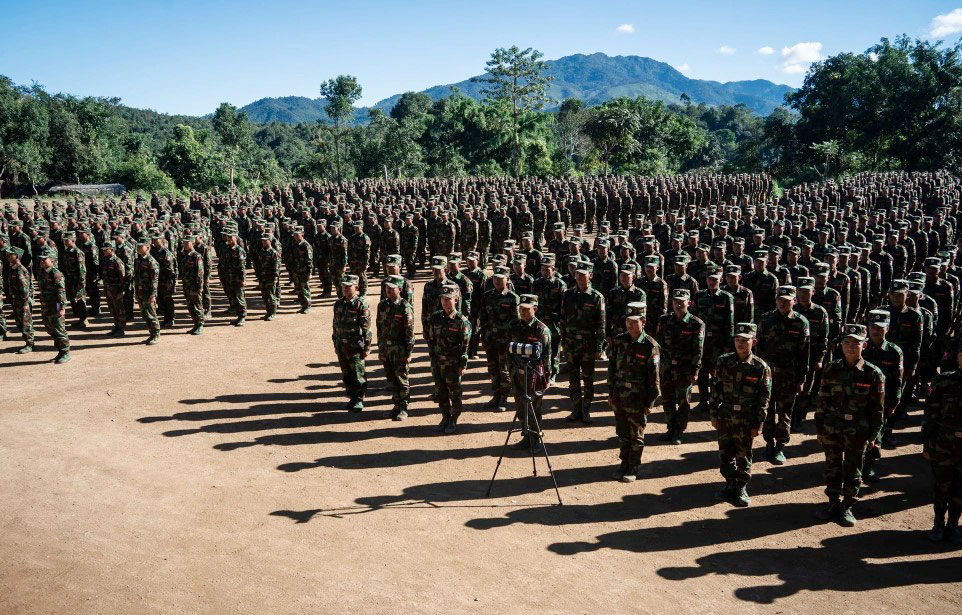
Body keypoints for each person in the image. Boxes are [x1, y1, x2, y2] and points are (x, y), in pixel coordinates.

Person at [815, 324, 884, 527]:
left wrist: (873, 437)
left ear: (865, 345)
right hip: (832, 427)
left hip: (858, 430)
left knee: (853, 469)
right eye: (846, 343)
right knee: (832, 466)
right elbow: (822, 401)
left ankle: (847, 506)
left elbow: (877, 410)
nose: (850, 347)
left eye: (856, 343)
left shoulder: (873, 374)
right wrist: (820, 430)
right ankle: (833, 503)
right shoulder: (831, 368)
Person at [710, 322, 772, 507]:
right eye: (738, 339)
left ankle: (741, 487)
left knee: (743, 455)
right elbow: (716, 389)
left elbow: (764, 398)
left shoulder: (761, 367)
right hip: (726, 415)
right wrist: (714, 414)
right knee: (725, 453)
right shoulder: (724, 361)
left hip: (746, 419)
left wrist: (759, 424)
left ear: (754, 341)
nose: (740, 343)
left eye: (745, 340)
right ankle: (729, 484)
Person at [756, 285, 810, 464]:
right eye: (780, 300)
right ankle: (768, 444)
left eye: (787, 301)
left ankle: (780, 447)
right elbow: (758, 349)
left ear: (794, 301)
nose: (783, 303)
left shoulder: (801, 322)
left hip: (789, 376)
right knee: (767, 411)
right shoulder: (765, 320)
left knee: (784, 413)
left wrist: (801, 378)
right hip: (768, 375)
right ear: (776, 300)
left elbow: (804, 353)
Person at [608, 302, 661, 482]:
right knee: (622, 432)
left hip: (638, 399)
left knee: (636, 434)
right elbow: (611, 369)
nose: (629, 324)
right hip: (620, 395)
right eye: (627, 321)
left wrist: (649, 403)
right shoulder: (619, 340)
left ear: (643, 321)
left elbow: (654, 379)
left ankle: (633, 467)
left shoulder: (650, 346)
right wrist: (611, 393)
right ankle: (624, 463)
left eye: (634, 321)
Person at [923, 340, 962, 544]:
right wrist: (927, 446)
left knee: (960, 490)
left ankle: (954, 525)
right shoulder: (942, 382)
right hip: (943, 445)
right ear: (957, 358)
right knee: (941, 487)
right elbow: (930, 417)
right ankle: (938, 523)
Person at [656, 289, 705, 444]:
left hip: (684, 370)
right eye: (675, 301)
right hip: (667, 368)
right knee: (667, 399)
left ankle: (679, 431)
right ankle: (670, 428)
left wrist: (695, 370)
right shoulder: (664, 320)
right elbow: (658, 345)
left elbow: (698, 350)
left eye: (681, 302)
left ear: (689, 303)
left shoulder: (696, 323)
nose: (678, 304)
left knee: (683, 401)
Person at [860, 310, 903, 482]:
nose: (875, 331)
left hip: (881, 402)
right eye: (872, 326)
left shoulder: (894, 351)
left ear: (887, 328)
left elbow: (898, 381)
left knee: (875, 434)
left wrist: (894, 403)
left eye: (880, 327)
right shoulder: (861, 346)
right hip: (859, 398)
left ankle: (868, 466)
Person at [561, 262, 606, 424]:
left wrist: (600, 347)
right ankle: (576, 409)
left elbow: (601, 325)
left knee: (587, 378)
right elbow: (563, 319)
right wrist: (563, 342)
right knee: (573, 379)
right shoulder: (568, 294)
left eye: (583, 274)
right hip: (571, 344)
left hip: (588, 344)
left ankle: (586, 410)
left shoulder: (596, 297)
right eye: (577, 274)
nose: (579, 277)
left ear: (590, 276)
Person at [508, 294, 552, 449]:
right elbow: (509, 350)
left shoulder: (541, 329)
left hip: (534, 375)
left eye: (526, 309)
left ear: (535, 309)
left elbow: (546, 357)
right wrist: (511, 369)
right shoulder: (514, 325)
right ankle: (526, 436)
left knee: (534, 409)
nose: (523, 312)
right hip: (517, 372)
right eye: (521, 309)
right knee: (520, 406)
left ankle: (536, 439)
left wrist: (546, 378)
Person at [426, 285, 471, 433]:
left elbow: (465, 347)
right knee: (440, 392)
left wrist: (462, 365)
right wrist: (432, 360)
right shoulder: (435, 317)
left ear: (456, 300)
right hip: (437, 362)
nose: (445, 302)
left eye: (448, 299)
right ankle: (445, 416)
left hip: (453, 363)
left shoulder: (461, 321)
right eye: (443, 299)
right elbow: (431, 340)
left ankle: (454, 418)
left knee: (455, 393)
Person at [479, 266, 519, 411]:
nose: (497, 281)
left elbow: (516, 323)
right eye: (495, 278)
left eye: (500, 279)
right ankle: (496, 395)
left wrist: (511, 341)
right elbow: (482, 318)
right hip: (490, 339)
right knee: (492, 368)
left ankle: (504, 398)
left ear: (507, 280)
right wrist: (483, 336)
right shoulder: (487, 296)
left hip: (505, 341)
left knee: (504, 370)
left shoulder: (513, 298)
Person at [376, 275, 415, 420]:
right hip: (386, 348)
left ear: (399, 289)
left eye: (391, 289)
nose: (388, 291)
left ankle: (403, 407)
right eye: (386, 288)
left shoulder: (405, 307)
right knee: (391, 379)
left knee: (402, 379)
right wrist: (381, 349)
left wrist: (408, 352)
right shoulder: (383, 305)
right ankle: (396, 406)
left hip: (400, 350)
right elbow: (379, 329)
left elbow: (409, 332)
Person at [332, 275, 372, 412]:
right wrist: (335, 341)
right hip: (341, 345)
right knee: (347, 374)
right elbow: (335, 325)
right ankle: (352, 397)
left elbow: (366, 329)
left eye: (348, 286)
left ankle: (359, 399)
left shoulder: (361, 304)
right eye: (344, 286)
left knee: (357, 374)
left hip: (355, 346)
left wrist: (366, 347)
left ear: (356, 287)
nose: (345, 289)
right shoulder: (339, 304)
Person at [37, 249, 71, 364]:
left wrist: (61, 308)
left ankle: (65, 352)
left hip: (55, 306)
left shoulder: (56, 274)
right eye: (41, 259)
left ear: (51, 260)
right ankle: (60, 351)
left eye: (44, 259)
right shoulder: (42, 272)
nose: (41, 261)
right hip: (46, 306)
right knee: (50, 329)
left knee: (59, 330)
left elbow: (61, 293)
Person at [5, 246, 35, 354]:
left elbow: (25, 289)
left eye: (10, 255)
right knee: (20, 323)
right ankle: (28, 342)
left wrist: (23, 303)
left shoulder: (20, 270)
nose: (8, 256)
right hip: (16, 301)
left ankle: (30, 344)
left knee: (26, 323)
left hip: (22, 302)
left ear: (16, 256)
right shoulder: (13, 268)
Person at [133, 239, 160, 345]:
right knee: (145, 314)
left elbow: (154, 281)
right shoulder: (138, 260)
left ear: (147, 248)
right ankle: (151, 334)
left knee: (151, 314)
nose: (138, 249)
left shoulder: (152, 262)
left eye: (141, 247)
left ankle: (156, 334)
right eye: (138, 247)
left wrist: (153, 295)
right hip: (140, 292)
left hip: (148, 293)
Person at [100, 243, 127, 337]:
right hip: (109, 290)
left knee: (120, 310)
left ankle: (121, 329)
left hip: (116, 290)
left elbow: (123, 278)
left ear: (111, 250)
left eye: (105, 249)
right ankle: (116, 327)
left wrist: (121, 291)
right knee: (113, 310)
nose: (103, 251)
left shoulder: (117, 262)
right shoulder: (106, 260)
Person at [181, 236, 206, 334]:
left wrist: (199, 286)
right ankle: (195, 323)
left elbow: (200, 273)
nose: (185, 245)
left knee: (197, 305)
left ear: (192, 243)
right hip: (187, 285)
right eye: (184, 243)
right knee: (190, 305)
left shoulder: (197, 256)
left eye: (187, 243)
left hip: (194, 285)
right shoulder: (185, 255)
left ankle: (200, 324)